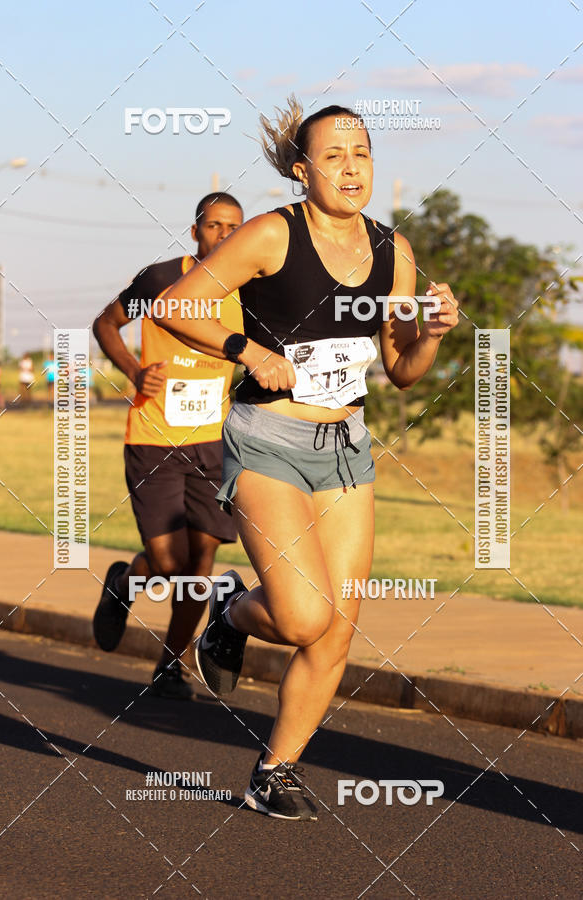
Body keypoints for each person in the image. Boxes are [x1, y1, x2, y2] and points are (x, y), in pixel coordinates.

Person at [154, 97, 460, 820]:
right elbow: (176, 304)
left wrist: (435, 334)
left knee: (338, 628)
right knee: (301, 617)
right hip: (268, 439)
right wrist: (250, 350)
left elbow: (399, 367)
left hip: (348, 448)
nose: (351, 168)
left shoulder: (396, 251)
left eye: (362, 154)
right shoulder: (270, 235)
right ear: (302, 170)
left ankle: (276, 769)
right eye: (333, 156)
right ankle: (230, 615)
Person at [92, 192, 244, 700]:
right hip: (153, 440)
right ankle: (125, 581)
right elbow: (105, 324)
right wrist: (135, 371)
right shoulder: (160, 280)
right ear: (196, 229)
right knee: (169, 563)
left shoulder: (253, 290)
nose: (224, 236)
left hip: (214, 444)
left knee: (199, 566)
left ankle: (170, 665)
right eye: (216, 226)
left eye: (234, 228)